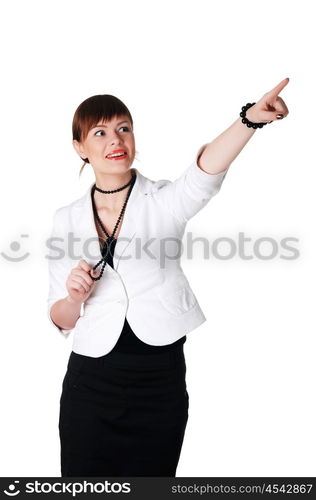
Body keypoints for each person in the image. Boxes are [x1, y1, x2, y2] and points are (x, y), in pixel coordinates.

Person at [47, 81, 289, 477]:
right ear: (80, 147)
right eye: (100, 132)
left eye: (124, 128)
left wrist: (248, 120)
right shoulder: (65, 219)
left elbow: (205, 172)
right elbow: (60, 318)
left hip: (158, 381)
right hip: (90, 385)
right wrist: (74, 297)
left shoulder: (162, 200)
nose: (115, 140)